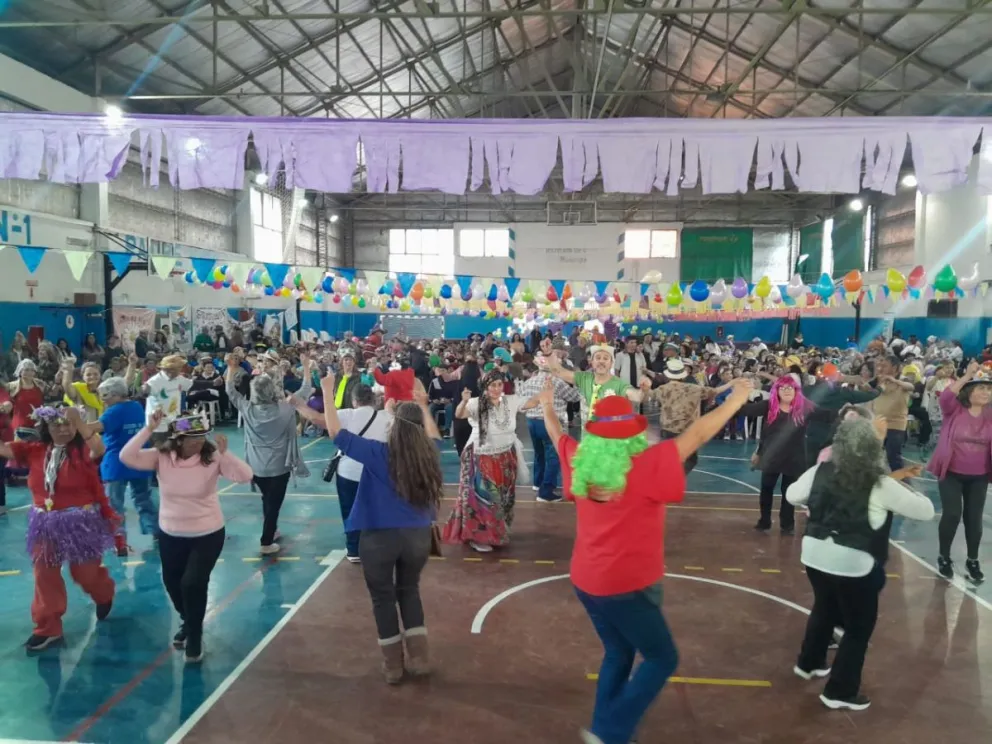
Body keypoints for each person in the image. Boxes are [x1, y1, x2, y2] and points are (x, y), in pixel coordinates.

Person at [538, 378, 754, 744]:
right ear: (632, 433)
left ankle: (607, 726)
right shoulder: (648, 464)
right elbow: (698, 434)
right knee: (662, 658)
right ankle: (608, 731)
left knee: (618, 653)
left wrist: (547, 403)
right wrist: (738, 398)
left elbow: (556, 432)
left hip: (587, 581)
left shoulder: (579, 458)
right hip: (627, 585)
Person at [787, 418, 934, 711]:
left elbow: (792, 495)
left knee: (824, 607)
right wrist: (908, 485)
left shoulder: (820, 470)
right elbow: (926, 511)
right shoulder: (880, 483)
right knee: (858, 628)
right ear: (873, 448)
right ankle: (840, 691)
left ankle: (809, 663)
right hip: (854, 563)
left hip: (814, 555)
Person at [317, 370, 442, 684]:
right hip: (418, 536)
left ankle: (393, 666)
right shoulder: (429, 453)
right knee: (409, 591)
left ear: (394, 426)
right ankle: (420, 659)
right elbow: (431, 433)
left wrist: (329, 392)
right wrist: (422, 406)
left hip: (379, 537)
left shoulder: (378, 453)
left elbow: (335, 432)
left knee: (383, 598)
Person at [120, 409, 253, 663]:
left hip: (207, 533)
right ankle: (188, 620)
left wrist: (226, 454)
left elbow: (246, 476)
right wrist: (148, 429)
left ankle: (194, 637)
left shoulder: (212, 457)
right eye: (192, 438)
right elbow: (126, 456)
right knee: (172, 583)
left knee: (193, 583)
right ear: (178, 439)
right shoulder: (161, 457)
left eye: (202, 436)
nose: (199, 442)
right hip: (171, 533)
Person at [0, 405, 120, 652]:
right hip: (44, 523)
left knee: (85, 574)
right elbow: (3, 449)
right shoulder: (34, 450)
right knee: (44, 574)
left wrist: (79, 421)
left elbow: (99, 448)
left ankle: (103, 593)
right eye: (57, 425)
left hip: (80, 523)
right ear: (46, 428)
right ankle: (47, 627)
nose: (63, 429)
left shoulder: (83, 451)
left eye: (68, 425)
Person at [295, 383, 391, 563]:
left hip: (349, 472)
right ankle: (376, 546)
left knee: (350, 510)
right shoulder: (386, 417)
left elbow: (317, 418)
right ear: (373, 400)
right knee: (375, 509)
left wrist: (298, 404)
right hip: (376, 472)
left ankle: (354, 549)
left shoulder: (347, 415)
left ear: (354, 401)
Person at [226, 353, 312, 555]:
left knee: (267, 499)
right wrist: (306, 367)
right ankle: (266, 541)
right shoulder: (285, 409)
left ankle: (272, 530)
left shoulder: (247, 409)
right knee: (274, 504)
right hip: (279, 466)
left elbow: (230, 391)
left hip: (256, 467)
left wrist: (230, 368)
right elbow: (305, 391)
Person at [443, 370, 537, 553]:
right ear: (485, 387)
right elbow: (459, 414)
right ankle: (478, 536)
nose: (496, 388)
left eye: (499, 384)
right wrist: (463, 400)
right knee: (484, 498)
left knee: (504, 497)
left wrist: (546, 393)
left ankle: (497, 531)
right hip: (481, 456)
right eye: (493, 385)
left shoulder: (510, 401)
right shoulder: (475, 403)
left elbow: (532, 403)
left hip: (506, 456)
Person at [74, 377, 159, 554]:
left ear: (115, 394)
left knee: (114, 504)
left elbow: (97, 427)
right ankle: (154, 533)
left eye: (105, 395)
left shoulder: (114, 411)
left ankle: (118, 541)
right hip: (140, 459)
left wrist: (76, 423)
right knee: (144, 498)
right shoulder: (136, 406)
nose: (103, 399)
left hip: (116, 463)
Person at [926, 361, 992, 582]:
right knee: (952, 514)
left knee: (974, 518)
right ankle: (944, 557)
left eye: (989, 389)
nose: (986, 392)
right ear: (969, 391)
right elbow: (946, 396)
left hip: (979, 476)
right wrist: (967, 375)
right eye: (981, 388)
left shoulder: (990, 414)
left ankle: (972, 560)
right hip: (951, 473)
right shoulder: (953, 410)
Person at [741, 375, 814, 534]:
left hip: (794, 458)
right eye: (783, 388)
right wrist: (737, 397)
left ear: (796, 390)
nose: (787, 390)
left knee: (789, 492)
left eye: (790, 387)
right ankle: (764, 521)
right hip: (771, 457)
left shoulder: (805, 407)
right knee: (766, 489)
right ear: (777, 391)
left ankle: (787, 524)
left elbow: (827, 415)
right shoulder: (769, 406)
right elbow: (745, 411)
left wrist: (848, 412)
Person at [515, 354, 581, 502]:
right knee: (554, 456)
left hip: (532, 421)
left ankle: (537, 483)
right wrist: (577, 381)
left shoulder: (530, 381)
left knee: (539, 453)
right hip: (550, 422)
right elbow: (575, 397)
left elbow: (520, 398)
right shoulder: (557, 382)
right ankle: (546, 491)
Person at [144, 355, 194, 443]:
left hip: (176, 420)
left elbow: (191, 385)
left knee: (178, 446)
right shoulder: (154, 381)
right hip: (159, 425)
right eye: (179, 367)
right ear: (170, 369)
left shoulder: (178, 378)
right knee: (160, 448)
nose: (181, 369)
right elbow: (150, 397)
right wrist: (156, 408)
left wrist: (212, 382)